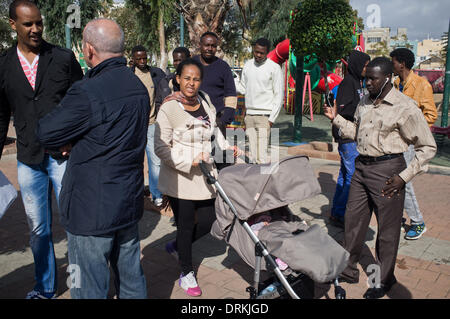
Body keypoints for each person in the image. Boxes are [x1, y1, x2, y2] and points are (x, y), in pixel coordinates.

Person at [36, 19, 149, 299]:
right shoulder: (138, 87)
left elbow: (46, 132)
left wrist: (69, 141)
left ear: (88, 50)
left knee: (87, 286)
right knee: (132, 279)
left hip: (91, 208)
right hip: (127, 200)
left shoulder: (87, 91)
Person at [324, 57, 436, 299]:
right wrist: (337, 119)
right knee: (353, 222)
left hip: (388, 173)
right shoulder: (365, 100)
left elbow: (427, 147)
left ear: (387, 78)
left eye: (372, 79)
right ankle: (348, 270)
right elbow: (359, 134)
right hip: (362, 168)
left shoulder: (405, 107)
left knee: (387, 231)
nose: (367, 83)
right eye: (366, 78)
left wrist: (404, 177)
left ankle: (383, 280)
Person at [0, 0, 83, 299]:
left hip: (62, 156)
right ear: (13, 25)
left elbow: (82, 100)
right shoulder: (4, 65)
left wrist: (74, 139)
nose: (35, 29)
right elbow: (0, 115)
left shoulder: (61, 57)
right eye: (27, 24)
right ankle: (45, 287)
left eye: (38, 23)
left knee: (74, 222)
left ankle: (81, 284)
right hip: (27, 159)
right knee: (38, 229)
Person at [155, 58, 243, 297]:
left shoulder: (205, 101)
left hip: (206, 177)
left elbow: (214, 133)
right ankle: (186, 273)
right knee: (185, 226)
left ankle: (176, 247)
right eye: (186, 78)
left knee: (209, 220)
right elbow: (161, 148)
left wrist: (228, 150)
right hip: (180, 179)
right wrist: (189, 160)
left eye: (196, 79)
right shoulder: (169, 108)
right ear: (177, 79)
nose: (191, 83)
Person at [390, 48, 438, 240]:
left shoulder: (422, 85)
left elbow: (431, 115)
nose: (391, 64)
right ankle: (398, 218)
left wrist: (412, 130)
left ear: (401, 63)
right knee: (394, 179)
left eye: (392, 61)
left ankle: (418, 222)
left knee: (404, 181)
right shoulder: (394, 84)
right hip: (395, 141)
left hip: (409, 142)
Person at [329, 50, 370, 228]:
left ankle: (337, 213)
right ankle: (344, 214)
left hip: (352, 136)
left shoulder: (359, 82)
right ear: (356, 65)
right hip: (347, 137)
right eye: (365, 65)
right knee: (352, 178)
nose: (367, 69)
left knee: (344, 176)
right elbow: (344, 110)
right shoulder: (348, 83)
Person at [131, 45, 166, 207]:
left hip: (152, 124)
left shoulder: (156, 74)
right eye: (139, 59)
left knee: (155, 162)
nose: (143, 61)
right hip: (134, 127)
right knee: (133, 162)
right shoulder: (128, 76)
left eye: (145, 58)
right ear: (133, 59)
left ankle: (156, 193)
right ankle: (134, 193)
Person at [240, 38, 283, 164]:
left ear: (267, 52)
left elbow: (278, 95)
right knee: (253, 156)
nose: (258, 55)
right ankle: (254, 182)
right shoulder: (248, 65)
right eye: (256, 52)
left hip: (265, 117)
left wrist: (271, 120)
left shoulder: (274, 68)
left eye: (261, 53)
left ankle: (264, 182)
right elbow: (243, 88)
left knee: (262, 157)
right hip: (250, 117)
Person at [193, 32, 237, 137]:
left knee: (218, 153)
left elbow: (231, 94)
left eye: (213, 46)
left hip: (217, 121)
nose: (210, 48)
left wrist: (224, 120)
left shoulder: (223, 67)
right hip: (193, 120)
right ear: (200, 45)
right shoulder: (191, 64)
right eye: (207, 45)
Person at [155, 47, 191, 112]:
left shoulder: (196, 81)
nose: (178, 63)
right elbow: (158, 103)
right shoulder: (165, 81)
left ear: (189, 59)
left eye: (180, 60)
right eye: (175, 60)